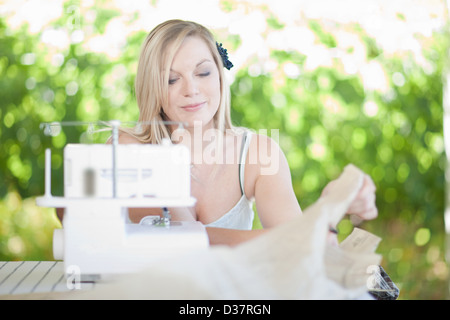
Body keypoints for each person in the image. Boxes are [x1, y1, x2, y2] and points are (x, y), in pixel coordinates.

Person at [111, 19, 378, 246]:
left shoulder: (257, 152)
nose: (191, 89)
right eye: (171, 79)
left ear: (219, 75)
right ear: (151, 87)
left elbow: (297, 251)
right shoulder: (128, 148)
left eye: (203, 72)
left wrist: (329, 207)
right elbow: (184, 245)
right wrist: (294, 236)